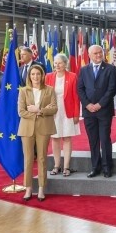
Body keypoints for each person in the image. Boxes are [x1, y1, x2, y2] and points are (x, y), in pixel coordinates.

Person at [18, 65, 57, 202]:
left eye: (38, 74)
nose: (35, 77)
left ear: (42, 76)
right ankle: (28, 187)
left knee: (42, 158)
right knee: (28, 158)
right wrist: (36, 113)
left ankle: (41, 188)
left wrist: (38, 110)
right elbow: (21, 111)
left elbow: (54, 108)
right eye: (33, 74)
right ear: (29, 76)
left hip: (43, 128)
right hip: (27, 128)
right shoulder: (23, 91)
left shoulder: (49, 90)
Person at [77, 44, 116, 178]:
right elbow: (80, 89)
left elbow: (112, 89)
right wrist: (88, 104)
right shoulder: (84, 70)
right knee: (93, 140)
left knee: (105, 139)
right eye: (95, 53)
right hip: (89, 111)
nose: (98, 55)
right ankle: (95, 167)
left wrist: (100, 104)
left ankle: (107, 167)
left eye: (100, 53)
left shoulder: (110, 69)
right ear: (89, 55)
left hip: (104, 110)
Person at [46, 53, 80, 176]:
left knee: (66, 138)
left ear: (65, 64)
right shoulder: (48, 76)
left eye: (60, 63)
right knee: (54, 138)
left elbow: (76, 97)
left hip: (68, 111)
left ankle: (66, 167)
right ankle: (56, 165)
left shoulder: (72, 76)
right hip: (53, 112)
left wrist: (77, 114)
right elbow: (45, 95)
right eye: (55, 63)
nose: (57, 65)